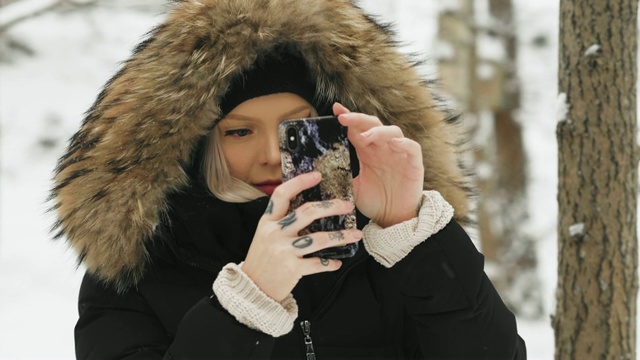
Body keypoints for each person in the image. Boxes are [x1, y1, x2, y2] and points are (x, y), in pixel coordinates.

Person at [50, 0, 527, 358]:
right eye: (239, 132)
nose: (273, 156)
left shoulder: (388, 243)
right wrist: (246, 304)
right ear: (193, 147)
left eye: (295, 128)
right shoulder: (138, 268)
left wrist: (411, 233)